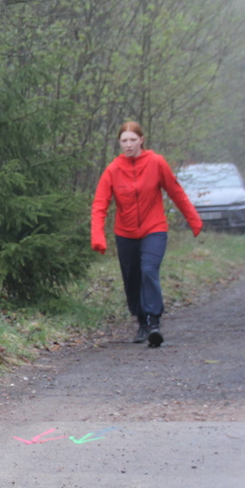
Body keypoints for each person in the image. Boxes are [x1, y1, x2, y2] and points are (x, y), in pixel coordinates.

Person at [90, 121, 202, 347]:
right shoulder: (113, 170)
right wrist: (97, 236)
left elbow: (176, 191)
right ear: (119, 143)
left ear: (141, 140)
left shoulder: (156, 162)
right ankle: (141, 322)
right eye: (124, 141)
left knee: (149, 270)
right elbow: (100, 204)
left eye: (133, 140)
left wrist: (193, 219)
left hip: (154, 228)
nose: (128, 145)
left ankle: (154, 323)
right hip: (125, 233)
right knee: (132, 279)